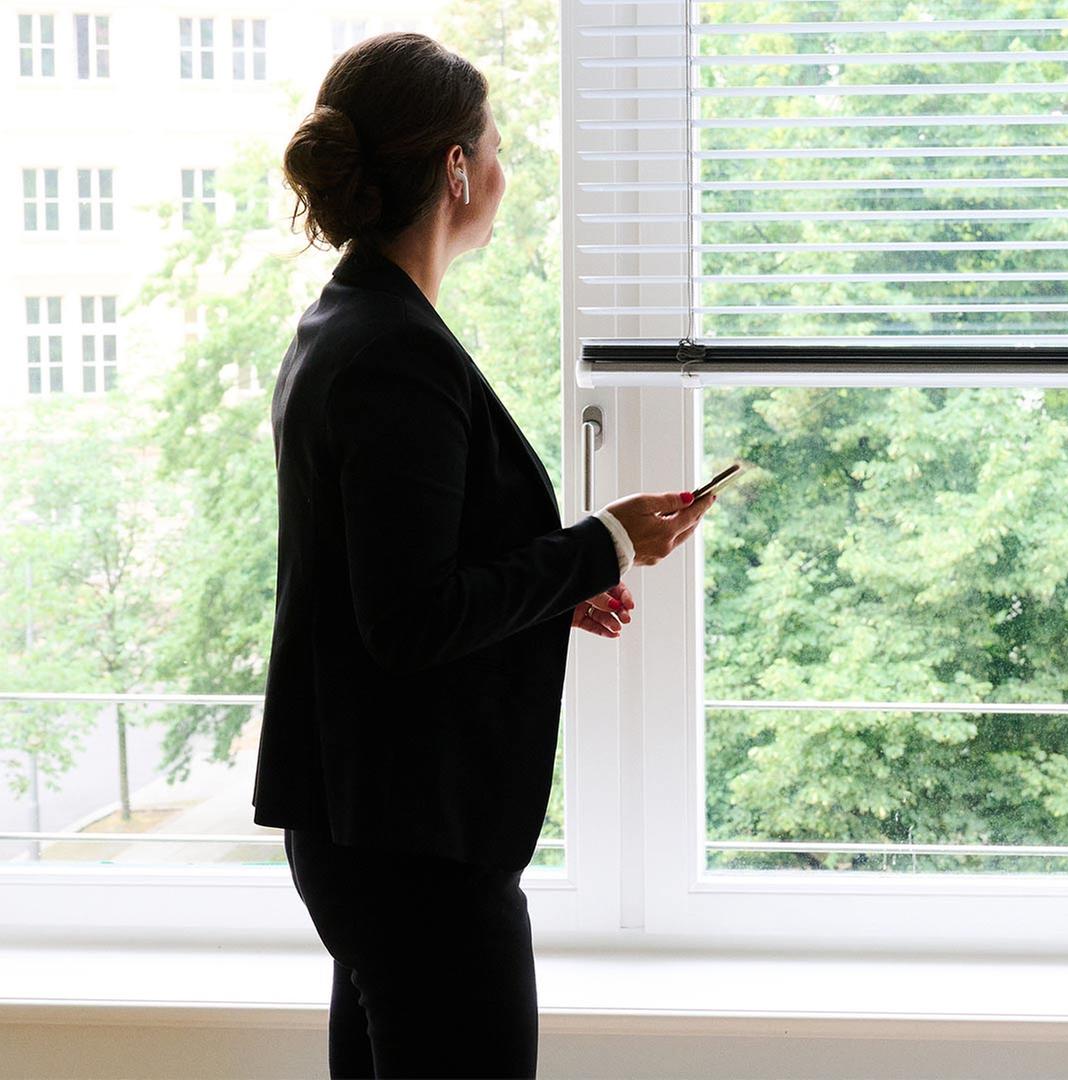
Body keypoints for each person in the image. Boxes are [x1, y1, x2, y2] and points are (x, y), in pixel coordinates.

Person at [251, 32, 712, 1079]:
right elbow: (409, 621)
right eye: (496, 142)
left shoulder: (350, 324)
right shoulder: (394, 354)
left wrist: (555, 588)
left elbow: (387, 576)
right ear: (458, 169)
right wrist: (605, 543)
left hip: (373, 830)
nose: (506, 166)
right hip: (413, 844)